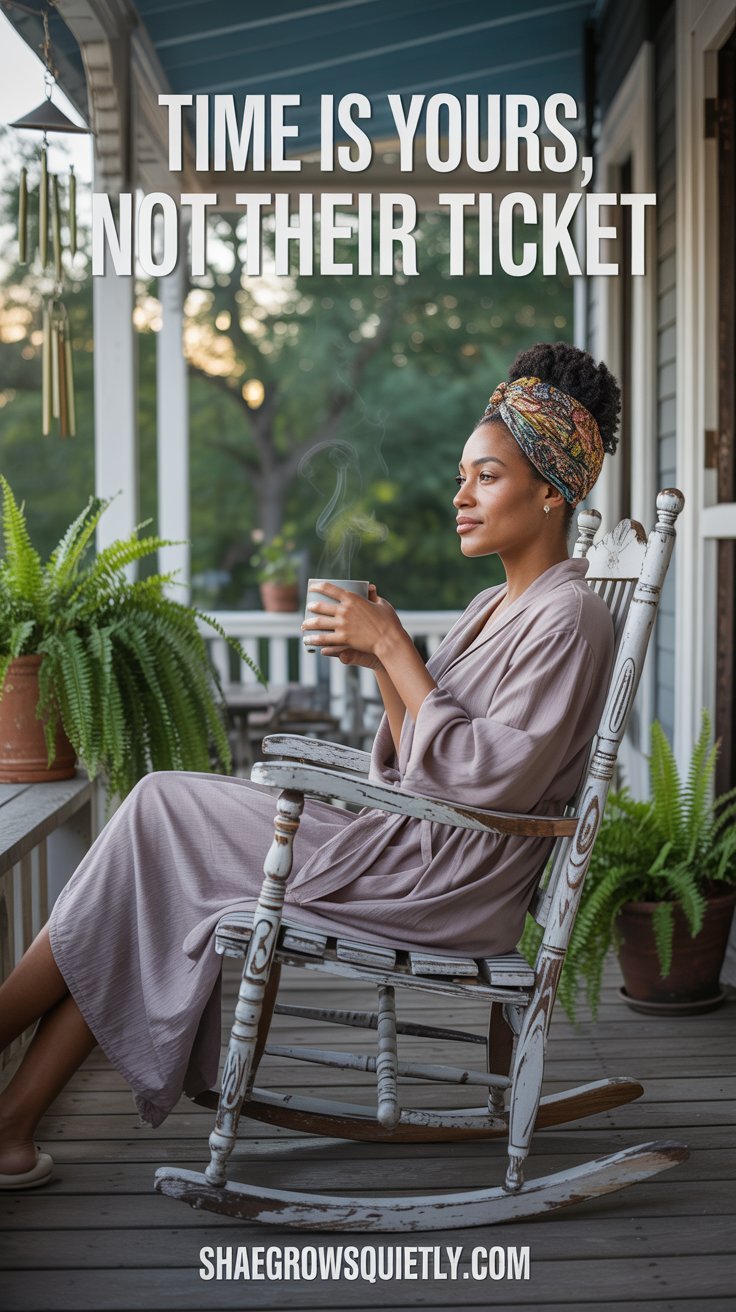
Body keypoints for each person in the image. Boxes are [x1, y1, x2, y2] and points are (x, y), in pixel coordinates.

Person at [0, 341, 620, 1188]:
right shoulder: (491, 605)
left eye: (487, 477)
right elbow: (426, 758)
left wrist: (397, 650)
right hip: (411, 837)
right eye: (461, 476)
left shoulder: (572, 619)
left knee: (154, 810)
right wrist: (383, 663)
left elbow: (486, 782)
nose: (460, 497)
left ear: (551, 491)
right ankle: (9, 1125)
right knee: (148, 856)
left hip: (444, 877)